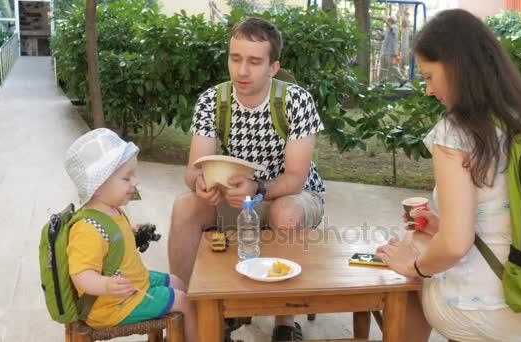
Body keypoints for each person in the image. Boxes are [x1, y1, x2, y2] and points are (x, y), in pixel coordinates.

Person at [375, 9, 521, 342]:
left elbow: (455, 245)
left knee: (414, 255)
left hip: (496, 314)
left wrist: (413, 265)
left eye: (428, 76)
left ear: (456, 68)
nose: (427, 90)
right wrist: (446, 228)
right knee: (429, 243)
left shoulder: (455, 132)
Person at [169, 17, 325, 341]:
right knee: (185, 208)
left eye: (254, 61)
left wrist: (257, 189)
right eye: (235, 58)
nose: (241, 70)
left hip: (290, 196)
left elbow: (296, 179)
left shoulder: (297, 101)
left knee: (286, 212)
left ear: (273, 66)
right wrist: (199, 184)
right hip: (236, 197)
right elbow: (193, 169)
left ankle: (285, 323)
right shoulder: (212, 101)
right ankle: (189, 312)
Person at [64, 128, 197, 342]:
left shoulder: (110, 210)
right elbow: (81, 275)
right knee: (183, 301)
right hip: (110, 305)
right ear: (97, 187)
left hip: (134, 282)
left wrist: (135, 232)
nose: (135, 182)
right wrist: (106, 285)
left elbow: (113, 238)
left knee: (178, 282)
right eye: (127, 178)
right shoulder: (86, 228)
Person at [378, 16, 404, 85]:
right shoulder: (387, 29)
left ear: (392, 21)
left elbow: (391, 28)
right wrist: (379, 34)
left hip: (391, 51)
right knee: (383, 67)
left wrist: (385, 20)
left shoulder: (395, 27)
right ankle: (382, 82)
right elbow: (383, 37)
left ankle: (402, 79)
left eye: (389, 20)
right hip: (385, 51)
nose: (387, 22)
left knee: (393, 66)